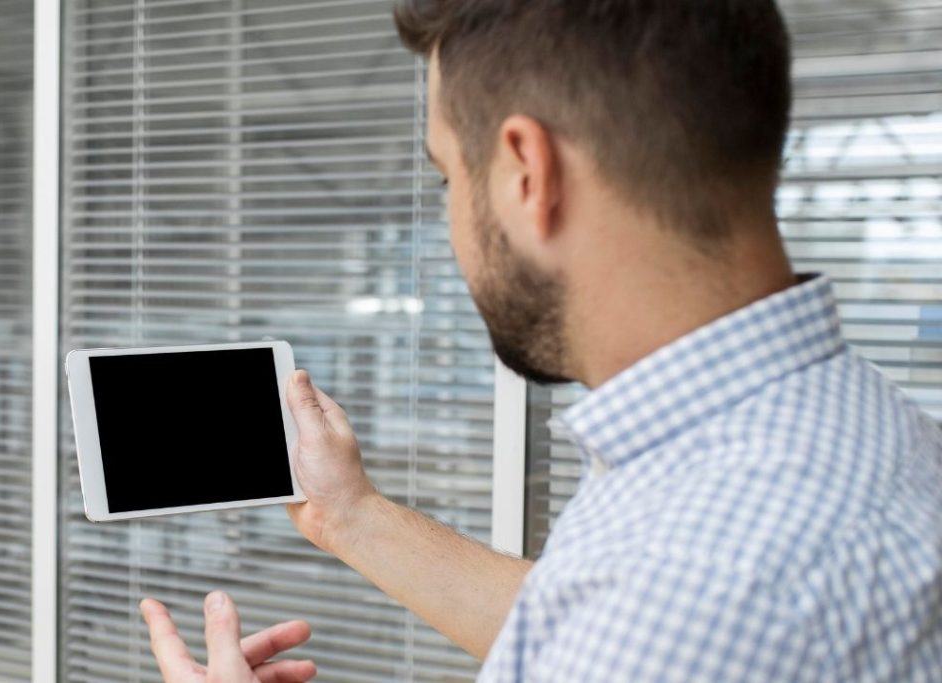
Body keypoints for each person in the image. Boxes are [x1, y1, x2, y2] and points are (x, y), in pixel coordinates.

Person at [140, 1, 942, 680]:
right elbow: (590, 618)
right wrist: (351, 514)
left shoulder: (708, 583)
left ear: (528, 172)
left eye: (452, 177)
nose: (452, 224)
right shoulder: (858, 435)